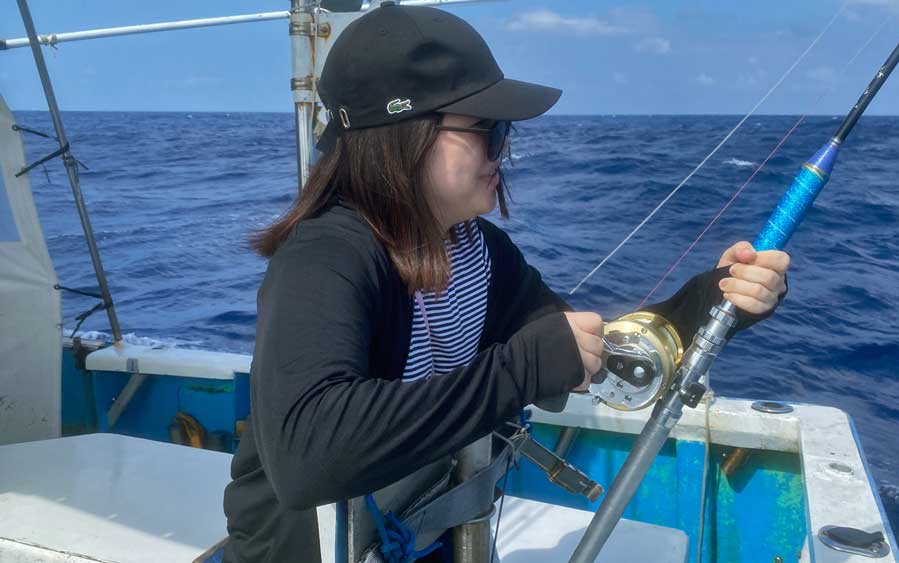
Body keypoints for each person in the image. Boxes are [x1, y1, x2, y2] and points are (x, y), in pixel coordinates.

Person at [221, 2, 789, 562]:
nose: (505, 151)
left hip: (417, 530)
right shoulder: (324, 257)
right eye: (488, 131)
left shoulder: (476, 250)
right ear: (401, 135)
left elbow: (586, 353)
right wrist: (519, 371)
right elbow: (306, 457)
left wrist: (710, 303)